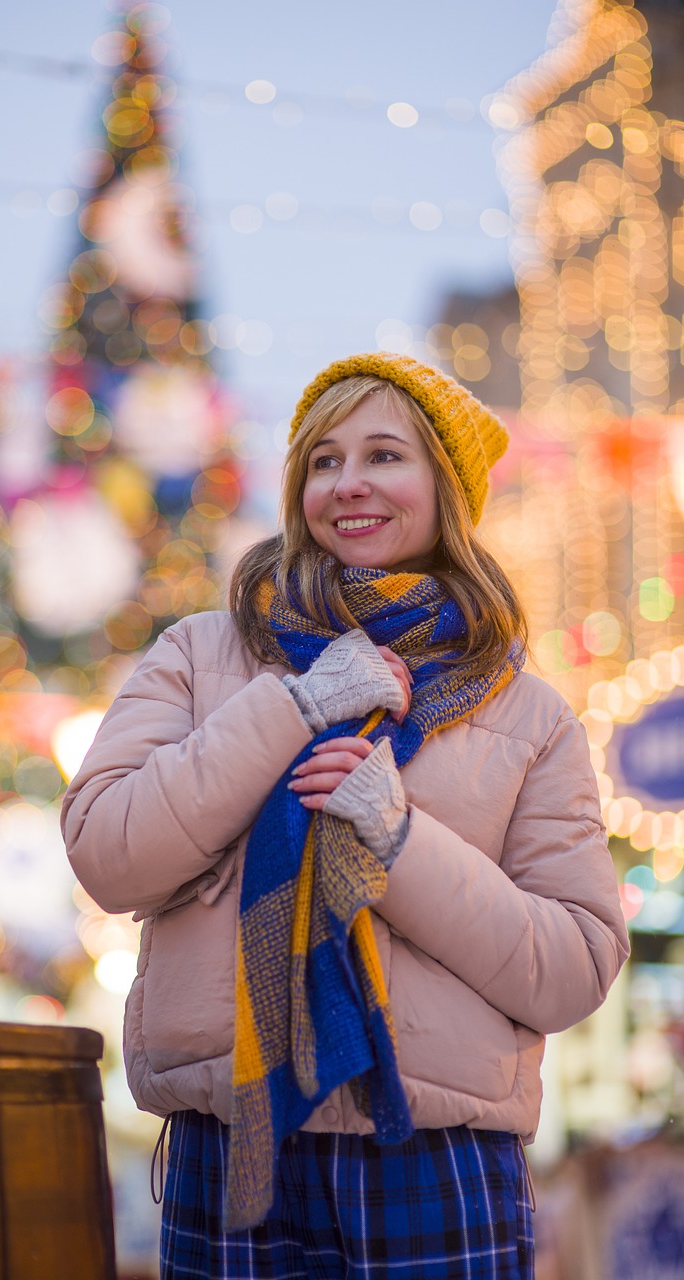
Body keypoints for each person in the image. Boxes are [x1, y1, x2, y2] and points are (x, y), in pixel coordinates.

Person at [61, 352, 630, 1279]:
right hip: (233, 1146)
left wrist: (396, 841)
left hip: (433, 1161)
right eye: (322, 461)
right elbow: (108, 853)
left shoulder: (529, 715)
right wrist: (294, 705)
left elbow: (572, 968)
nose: (349, 485)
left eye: (383, 456)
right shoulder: (206, 654)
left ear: (446, 489)